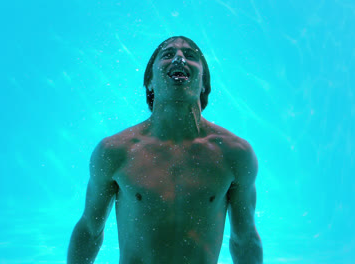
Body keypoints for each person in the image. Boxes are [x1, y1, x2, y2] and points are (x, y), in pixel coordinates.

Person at [67, 36, 263, 264]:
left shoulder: (234, 153)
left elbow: (245, 239)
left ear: (203, 84)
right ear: (149, 81)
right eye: (168, 54)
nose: (179, 58)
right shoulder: (115, 151)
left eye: (190, 56)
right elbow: (90, 230)